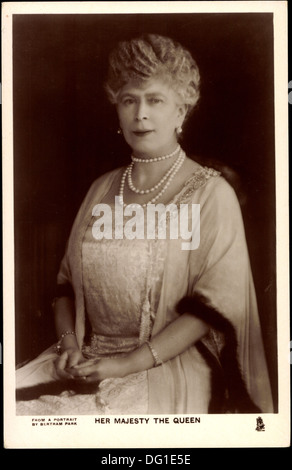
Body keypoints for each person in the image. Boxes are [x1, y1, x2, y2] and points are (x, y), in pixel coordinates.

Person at [16, 34, 273, 415]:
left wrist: (124, 365)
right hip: (83, 359)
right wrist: (69, 345)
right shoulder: (101, 188)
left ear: (181, 111)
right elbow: (65, 287)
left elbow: (212, 308)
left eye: (155, 99)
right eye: (128, 100)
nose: (140, 114)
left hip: (167, 368)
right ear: (116, 109)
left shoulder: (211, 194)